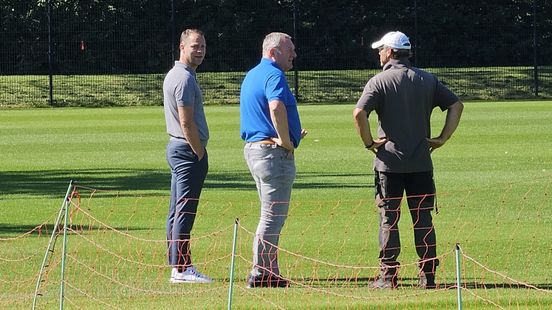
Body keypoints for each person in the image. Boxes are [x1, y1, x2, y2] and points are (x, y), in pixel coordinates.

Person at [353, 31, 463, 289]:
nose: (379, 53)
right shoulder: (427, 79)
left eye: (380, 49)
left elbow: (359, 113)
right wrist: (442, 138)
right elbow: (456, 105)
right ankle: (428, 276)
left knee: (389, 218)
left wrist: (369, 143)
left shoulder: (378, 82)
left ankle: (388, 277)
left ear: (390, 52)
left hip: (389, 164)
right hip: (422, 165)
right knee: (423, 219)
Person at [240, 32, 307, 288]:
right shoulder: (274, 74)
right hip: (272, 154)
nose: (294, 54)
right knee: (271, 217)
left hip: (256, 151)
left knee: (270, 214)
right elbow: (276, 106)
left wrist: (289, 133)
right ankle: (260, 274)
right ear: (273, 52)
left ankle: (271, 272)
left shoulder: (252, 74)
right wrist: (286, 140)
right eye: (290, 49)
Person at [163, 28, 212, 284]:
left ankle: (177, 266)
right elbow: (186, 120)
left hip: (179, 148)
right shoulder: (183, 79)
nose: (200, 50)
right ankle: (182, 269)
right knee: (184, 211)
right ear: (182, 47)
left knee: (176, 211)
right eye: (195, 45)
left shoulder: (178, 75)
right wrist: (198, 151)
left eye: (203, 45)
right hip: (187, 150)